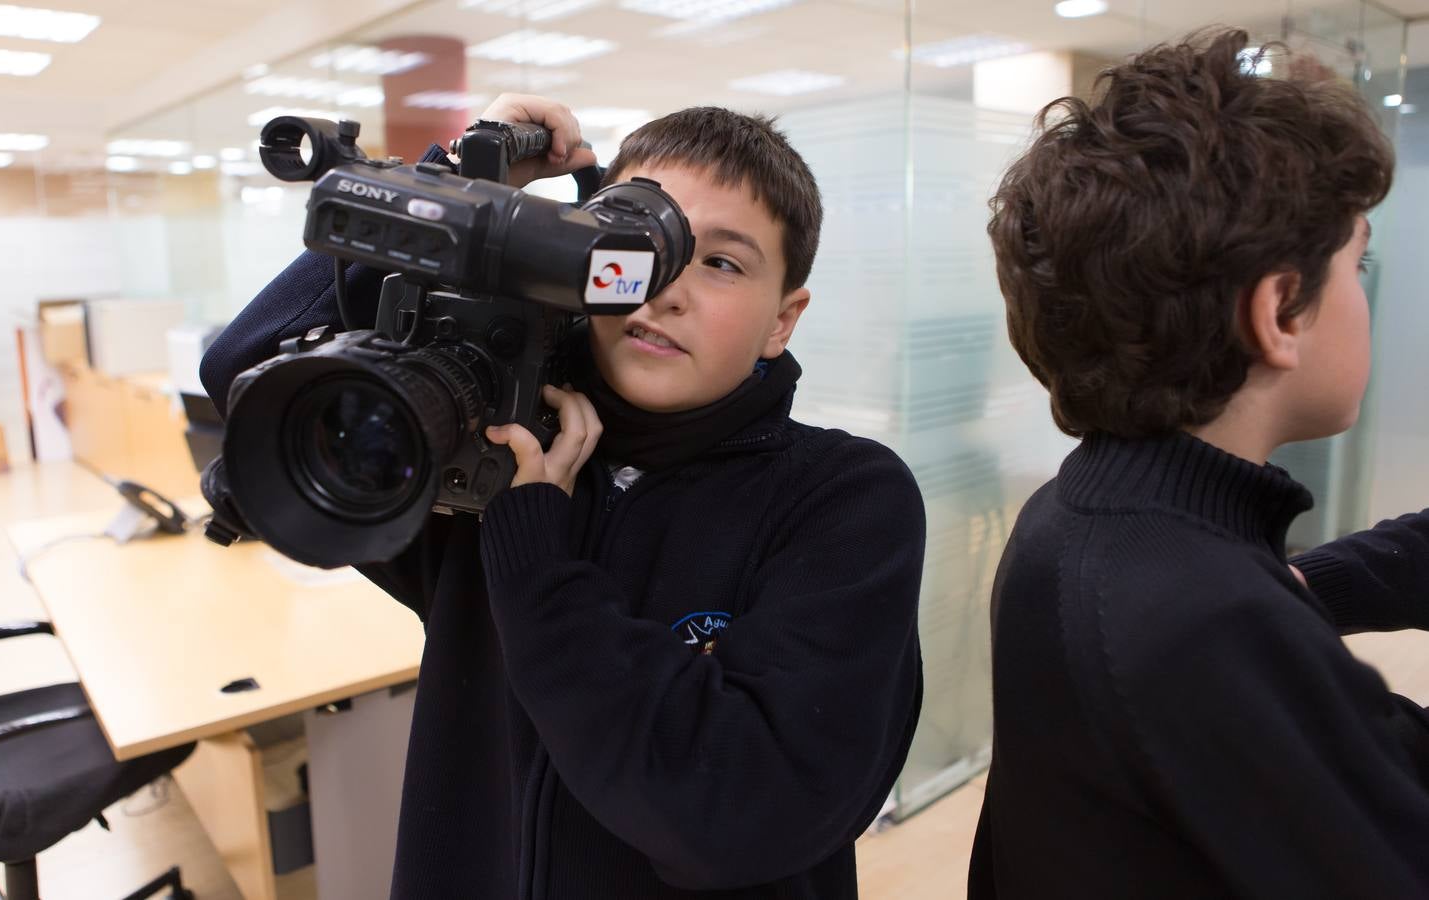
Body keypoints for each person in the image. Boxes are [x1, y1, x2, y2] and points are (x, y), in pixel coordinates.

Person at [200, 95, 925, 898]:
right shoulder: (487, 445)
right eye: (642, 244)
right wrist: (460, 184)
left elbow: (731, 815)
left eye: (722, 262)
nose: (667, 289)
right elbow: (247, 379)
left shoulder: (845, 500)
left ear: (781, 322)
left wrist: (535, 556)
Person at [969, 28, 1429, 898]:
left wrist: (1295, 602)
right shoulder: (1206, 615)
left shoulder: (1075, 518)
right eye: (1354, 262)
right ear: (1279, 312)